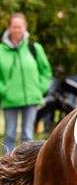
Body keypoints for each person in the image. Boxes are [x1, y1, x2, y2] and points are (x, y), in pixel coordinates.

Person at [0, 13, 52, 154]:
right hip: (9, 99)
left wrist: (40, 88)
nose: (17, 30)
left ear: (25, 28)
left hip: (31, 98)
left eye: (20, 27)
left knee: (27, 137)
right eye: (14, 27)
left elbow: (46, 71)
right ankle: (8, 169)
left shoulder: (34, 48)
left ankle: (26, 169)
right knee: (9, 135)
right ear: (9, 27)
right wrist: (4, 90)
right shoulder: (1, 51)